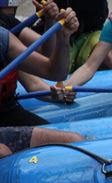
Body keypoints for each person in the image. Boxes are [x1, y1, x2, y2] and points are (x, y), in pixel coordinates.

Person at [0, 10, 83, 157]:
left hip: (7, 112)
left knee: (74, 141)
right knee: (3, 152)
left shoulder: (3, 37)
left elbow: (54, 72)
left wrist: (63, 36)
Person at [32, 0, 112, 72]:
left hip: (87, 36)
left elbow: (101, 17)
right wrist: (50, 18)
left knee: (107, 53)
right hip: (57, 39)